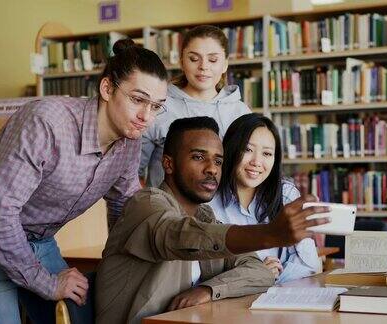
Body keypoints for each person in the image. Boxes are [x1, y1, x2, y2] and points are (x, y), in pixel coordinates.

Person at [0, 39, 168, 324]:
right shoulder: (46, 123)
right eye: (138, 100)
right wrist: (47, 283)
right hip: (0, 232)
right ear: (106, 89)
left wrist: (121, 271)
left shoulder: (128, 143)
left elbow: (123, 210)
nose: (146, 117)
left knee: (81, 313)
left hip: (39, 241)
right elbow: (0, 214)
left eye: (156, 106)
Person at [95, 117, 329, 323]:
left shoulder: (205, 216)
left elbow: (260, 272)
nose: (211, 169)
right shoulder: (145, 203)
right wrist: (270, 233)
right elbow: (180, 236)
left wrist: (208, 289)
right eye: (198, 157)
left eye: (218, 161)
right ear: (169, 164)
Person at [210, 113, 321, 283]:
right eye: (247, 150)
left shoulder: (286, 194)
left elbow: (308, 266)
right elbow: (203, 273)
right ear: (231, 149)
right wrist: (257, 274)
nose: (257, 161)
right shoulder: (208, 200)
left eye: (267, 154)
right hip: (225, 302)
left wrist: (271, 278)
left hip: (278, 298)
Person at [140, 25, 250, 187]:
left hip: (225, 210)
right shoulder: (159, 107)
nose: (203, 66)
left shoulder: (241, 113)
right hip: (167, 209)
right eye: (194, 59)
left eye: (212, 60)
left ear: (225, 64)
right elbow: (131, 172)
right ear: (182, 62)